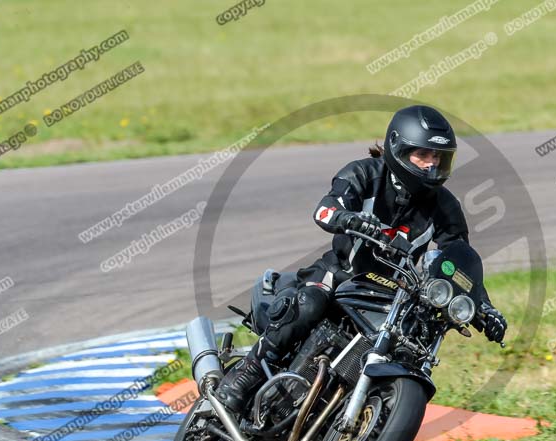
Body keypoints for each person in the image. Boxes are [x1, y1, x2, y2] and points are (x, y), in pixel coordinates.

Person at [216, 105, 508, 414]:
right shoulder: (365, 173)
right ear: (398, 148)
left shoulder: (445, 206)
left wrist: (483, 306)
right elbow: (324, 210)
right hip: (341, 273)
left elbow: (459, 264)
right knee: (310, 304)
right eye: (423, 155)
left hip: (391, 295)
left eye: (438, 158)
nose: (431, 166)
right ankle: (243, 377)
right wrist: (349, 219)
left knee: (413, 343)